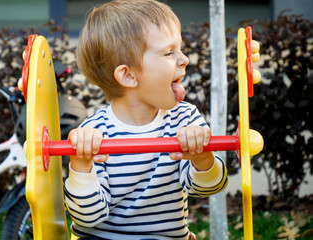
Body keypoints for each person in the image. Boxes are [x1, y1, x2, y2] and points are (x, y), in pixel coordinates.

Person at [64, 0, 228, 239]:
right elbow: (87, 217)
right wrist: (81, 166)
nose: (184, 59)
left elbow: (209, 188)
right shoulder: (94, 133)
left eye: (179, 49)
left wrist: (201, 157)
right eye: (169, 52)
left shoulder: (186, 119)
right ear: (129, 75)